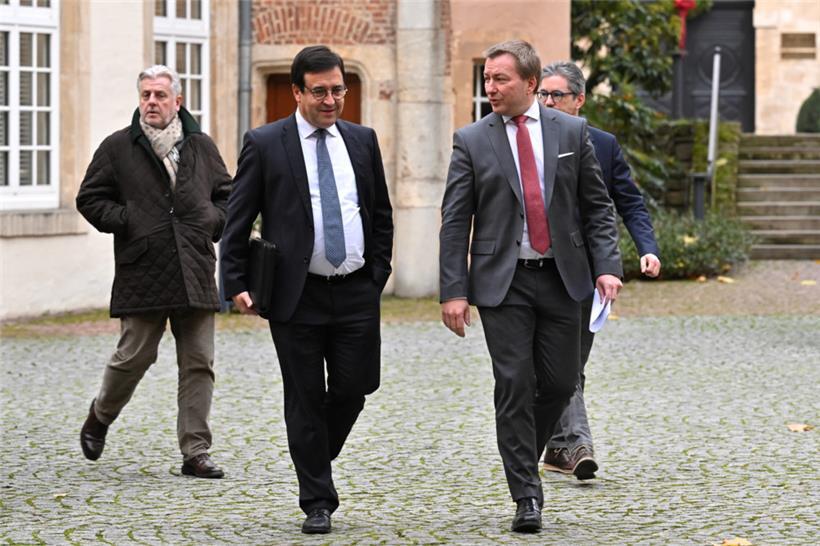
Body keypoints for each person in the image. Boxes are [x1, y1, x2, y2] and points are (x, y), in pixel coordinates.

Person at [439, 40, 623, 533]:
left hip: (565, 279)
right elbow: (456, 221)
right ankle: (526, 493)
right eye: (487, 79)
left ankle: (525, 449)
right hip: (503, 283)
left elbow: (597, 207)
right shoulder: (472, 140)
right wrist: (453, 290)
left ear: (530, 83)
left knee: (562, 383)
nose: (490, 87)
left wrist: (608, 266)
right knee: (515, 383)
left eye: (500, 79)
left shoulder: (572, 131)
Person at [219, 45, 393, 535]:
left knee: (355, 388)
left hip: (357, 289)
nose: (331, 99)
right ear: (297, 92)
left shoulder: (362, 140)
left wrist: (378, 271)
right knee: (303, 396)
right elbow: (238, 219)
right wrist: (233, 282)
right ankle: (317, 499)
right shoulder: (266, 142)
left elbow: (379, 213)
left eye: (339, 89)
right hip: (296, 294)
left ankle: (313, 453)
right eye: (320, 91)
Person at [76, 65, 232, 479]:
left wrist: (211, 222)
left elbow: (227, 195)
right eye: (146, 95)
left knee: (199, 362)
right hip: (142, 266)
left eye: (160, 95)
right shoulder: (117, 148)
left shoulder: (201, 146)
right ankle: (100, 416)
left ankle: (195, 452)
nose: (151, 102)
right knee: (134, 356)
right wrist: (127, 219)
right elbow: (89, 198)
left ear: (177, 101)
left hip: (194, 264)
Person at [538, 61, 662, 480]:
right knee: (562, 364)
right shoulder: (526, 139)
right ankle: (575, 445)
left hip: (587, 274)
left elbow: (628, 202)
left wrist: (647, 249)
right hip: (535, 270)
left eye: (557, 95)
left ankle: (557, 449)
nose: (548, 101)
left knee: (570, 364)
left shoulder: (603, 144)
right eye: (543, 94)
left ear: (579, 100)